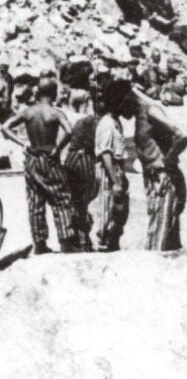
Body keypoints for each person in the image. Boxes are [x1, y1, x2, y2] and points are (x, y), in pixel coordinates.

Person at [1, 78, 79, 254]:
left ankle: (40, 243)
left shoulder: (28, 112)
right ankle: (66, 240)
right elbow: (69, 131)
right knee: (61, 198)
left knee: (35, 200)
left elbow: (5, 127)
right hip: (49, 157)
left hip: (32, 157)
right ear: (53, 93)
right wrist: (58, 148)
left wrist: (23, 143)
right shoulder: (55, 113)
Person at [109, 81, 187, 250]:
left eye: (120, 108)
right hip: (155, 176)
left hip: (162, 176)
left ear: (127, 99)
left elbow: (183, 135)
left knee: (158, 237)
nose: (121, 114)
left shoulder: (151, 110)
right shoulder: (141, 114)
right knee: (167, 236)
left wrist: (167, 160)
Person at [95, 82, 131, 252]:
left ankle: (112, 243)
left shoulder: (116, 121)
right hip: (108, 170)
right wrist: (115, 181)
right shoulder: (107, 123)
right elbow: (105, 154)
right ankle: (104, 243)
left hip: (117, 168)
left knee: (119, 211)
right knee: (108, 208)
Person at [63, 92, 101, 251]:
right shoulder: (100, 122)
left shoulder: (81, 121)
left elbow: (68, 136)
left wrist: (58, 152)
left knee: (74, 200)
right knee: (83, 201)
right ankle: (84, 239)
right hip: (85, 159)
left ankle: (77, 237)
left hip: (71, 158)